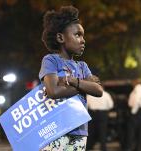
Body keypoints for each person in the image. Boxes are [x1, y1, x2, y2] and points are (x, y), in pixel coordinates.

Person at [39, 6, 103, 151]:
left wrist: (72, 81)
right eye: (77, 35)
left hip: (80, 130)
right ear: (61, 37)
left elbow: (98, 91)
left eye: (83, 36)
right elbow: (53, 91)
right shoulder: (51, 60)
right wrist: (84, 86)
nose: (83, 40)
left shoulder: (82, 65)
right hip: (55, 130)